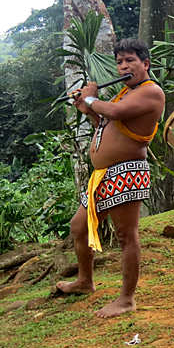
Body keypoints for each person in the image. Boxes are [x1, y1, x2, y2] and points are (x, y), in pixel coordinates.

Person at [56, 39, 166, 318]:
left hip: (128, 171)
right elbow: (104, 123)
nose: (123, 66)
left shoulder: (151, 92)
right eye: (119, 62)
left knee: (125, 235)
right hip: (103, 174)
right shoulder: (122, 94)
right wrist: (88, 108)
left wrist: (92, 97)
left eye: (129, 60)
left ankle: (127, 299)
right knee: (79, 226)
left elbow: (114, 113)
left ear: (145, 64)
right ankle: (85, 281)